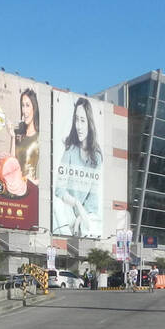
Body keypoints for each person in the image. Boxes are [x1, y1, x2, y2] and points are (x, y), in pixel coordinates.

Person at [53, 97, 102, 238]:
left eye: (82, 120)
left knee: (96, 223)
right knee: (56, 204)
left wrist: (82, 215)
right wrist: (76, 204)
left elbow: (93, 198)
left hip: (85, 216)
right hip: (69, 210)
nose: (78, 126)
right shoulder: (70, 150)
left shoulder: (97, 157)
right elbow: (59, 190)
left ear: (89, 123)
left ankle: (86, 242)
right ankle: (67, 242)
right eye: (76, 120)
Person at [14, 89, 41, 184]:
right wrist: (12, 137)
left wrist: (35, 182)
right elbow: (12, 162)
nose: (24, 110)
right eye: (22, 105)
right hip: (16, 189)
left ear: (34, 108)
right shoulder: (18, 134)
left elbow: (50, 173)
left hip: (31, 191)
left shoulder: (40, 138)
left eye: (28, 105)